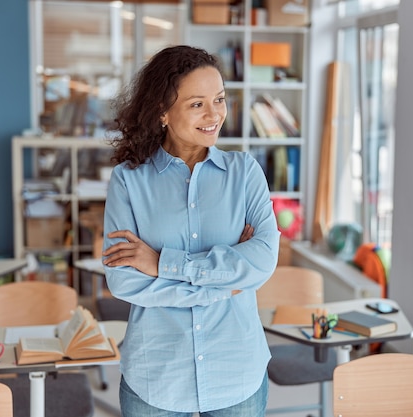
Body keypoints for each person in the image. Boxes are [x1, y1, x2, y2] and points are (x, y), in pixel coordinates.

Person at [101, 45, 281, 417]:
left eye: (219, 99)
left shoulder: (245, 172)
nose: (215, 114)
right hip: (157, 377)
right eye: (197, 104)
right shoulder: (128, 181)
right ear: (162, 112)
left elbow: (262, 260)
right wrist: (226, 284)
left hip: (237, 374)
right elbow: (124, 282)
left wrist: (162, 264)